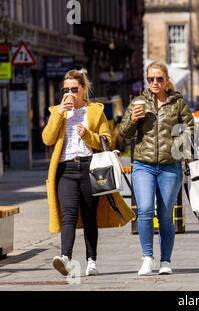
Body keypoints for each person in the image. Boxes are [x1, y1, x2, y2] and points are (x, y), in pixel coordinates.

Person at [42, 69, 134, 277]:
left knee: (89, 215)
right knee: (69, 215)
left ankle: (91, 261)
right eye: (66, 90)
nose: (70, 93)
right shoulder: (57, 110)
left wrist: (87, 135)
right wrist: (59, 115)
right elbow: (47, 139)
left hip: (89, 168)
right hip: (65, 169)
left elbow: (106, 140)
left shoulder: (94, 111)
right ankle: (65, 257)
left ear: (83, 89)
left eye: (75, 89)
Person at [120, 61, 194, 276]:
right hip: (143, 164)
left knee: (165, 216)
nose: (154, 82)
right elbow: (124, 133)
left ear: (166, 79)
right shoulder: (138, 102)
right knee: (144, 210)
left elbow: (190, 128)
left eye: (159, 79)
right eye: (150, 79)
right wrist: (133, 120)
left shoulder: (178, 103)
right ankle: (147, 257)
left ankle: (165, 261)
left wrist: (176, 144)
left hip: (170, 167)